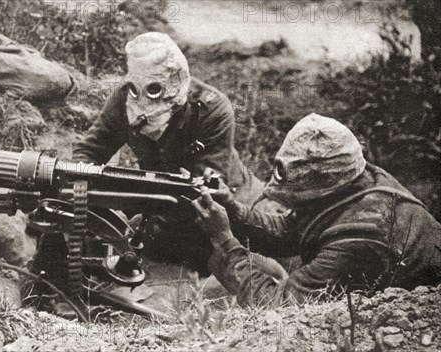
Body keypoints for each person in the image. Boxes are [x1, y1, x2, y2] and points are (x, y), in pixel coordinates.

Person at [192, 113, 441, 306]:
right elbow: (292, 229)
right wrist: (233, 209)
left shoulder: (362, 234)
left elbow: (278, 305)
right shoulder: (355, 179)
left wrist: (224, 239)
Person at [72, 32, 266, 273]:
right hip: (161, 202)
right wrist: (79, 183)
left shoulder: (212, 109)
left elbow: (203, 192)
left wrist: (142, 219)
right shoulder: (124, 99)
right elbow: (90, 149)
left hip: (226, 204)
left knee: (236, 263)